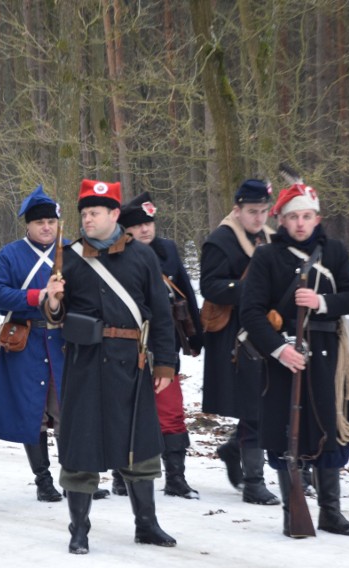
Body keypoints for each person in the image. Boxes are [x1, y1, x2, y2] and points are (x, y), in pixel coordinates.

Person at [44, 179, 178, 554]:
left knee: (138, 445)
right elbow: (56, 315)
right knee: (80, 445)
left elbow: (162, 314)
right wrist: (53, 302)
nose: (87, 219)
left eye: (95, 213)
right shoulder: (68, 256)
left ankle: (147, 525)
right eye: (84, 213)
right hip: (84, 365)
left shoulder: (142, 256)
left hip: (130, 364)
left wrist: (165, 364)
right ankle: (79, 530)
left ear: (115, 215)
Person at [239, 182, 349, 537]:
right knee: (284, 434)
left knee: (330, 429)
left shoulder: (334, 251)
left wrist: (322, 303)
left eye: (307, 216)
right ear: (280, 219)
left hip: (327, 355)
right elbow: (251, 313)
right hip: (283, 356)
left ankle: (330, 512)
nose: (300, 224)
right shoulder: (266, 257)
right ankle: (292, 510)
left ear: (317, 218)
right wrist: (279, 350)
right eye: (293, 217)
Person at [115, 191, 203, 500]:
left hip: (164, 343)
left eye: (149, 223)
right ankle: (119, 473)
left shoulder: (167, 250)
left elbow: (186, 294)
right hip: (125, 345)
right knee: (124, 411)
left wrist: (196, 333)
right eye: (138, 225)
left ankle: (176, 477)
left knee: (171, 411)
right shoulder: (113, 255)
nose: (145, 229)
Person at [200, 179, 280, 506]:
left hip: (266, 329)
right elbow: (211, 287)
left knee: (265, 403)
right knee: (253, 405)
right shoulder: (221, 241)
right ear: (237, 209)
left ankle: (235, 450)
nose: (259, 218)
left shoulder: (271, 239)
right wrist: (253, 289)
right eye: (252, 212)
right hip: (235, 334)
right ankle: (254, 482)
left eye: (264, 211)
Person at [0, 185, 65, 502]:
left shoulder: (71, 251)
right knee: (32, 412)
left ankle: (74, 475)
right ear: (28, 225)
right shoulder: (10, 254)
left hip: (63, 341)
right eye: (39, 222)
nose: (46, 227)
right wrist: (36, 296)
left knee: (68, 411)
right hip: (26, 340)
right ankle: (43, 480)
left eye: (51, 221)